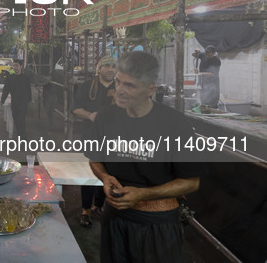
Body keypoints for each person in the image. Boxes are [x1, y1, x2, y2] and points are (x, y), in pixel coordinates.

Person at [85, 52, 204, 263]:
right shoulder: (106, 117)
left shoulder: (175, 125)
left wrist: (144, 194)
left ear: (151, 89)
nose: (119, 91)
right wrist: (104, 177)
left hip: (158, 223)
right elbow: (95, 158)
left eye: (130, 86)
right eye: (118, 82)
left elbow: (191, 182)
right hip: (114, 219)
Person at [72, 56, 117, 228]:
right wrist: (90, 115)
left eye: (113, 66)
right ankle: (86, 209)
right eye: (107, 66)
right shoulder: (88, 86)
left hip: (114, 138)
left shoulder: (120, 86)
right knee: (90, 171)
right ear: (99, 68)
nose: (111, 69)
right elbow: (75, 108)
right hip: (92, 136)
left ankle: (99, 205)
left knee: (110, 171)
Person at [0, 60, 31, 139]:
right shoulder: (10, 78)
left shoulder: (25, 77)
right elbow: (6, 89)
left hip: (23, 103)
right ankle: (22, 136)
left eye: (17, 65)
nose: (15, 67)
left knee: (21, 121)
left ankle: (23, 139)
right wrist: (2, 100)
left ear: (21, 66)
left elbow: (28, 89)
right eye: (14, 66)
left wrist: (29, 100)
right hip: (14, 102)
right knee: (16, 121)